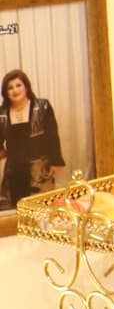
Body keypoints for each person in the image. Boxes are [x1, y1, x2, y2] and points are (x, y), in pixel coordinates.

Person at [0, 66, 63, 205]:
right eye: (10, 88)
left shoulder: (42, 107)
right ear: (5, 92)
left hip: (39, 169)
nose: (15, 90)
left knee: (42, 208)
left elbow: (52, 135)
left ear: (26, 87)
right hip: (14, 171)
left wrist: (56, 161)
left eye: (18, 85)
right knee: (17, 209)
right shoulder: (2, 113)